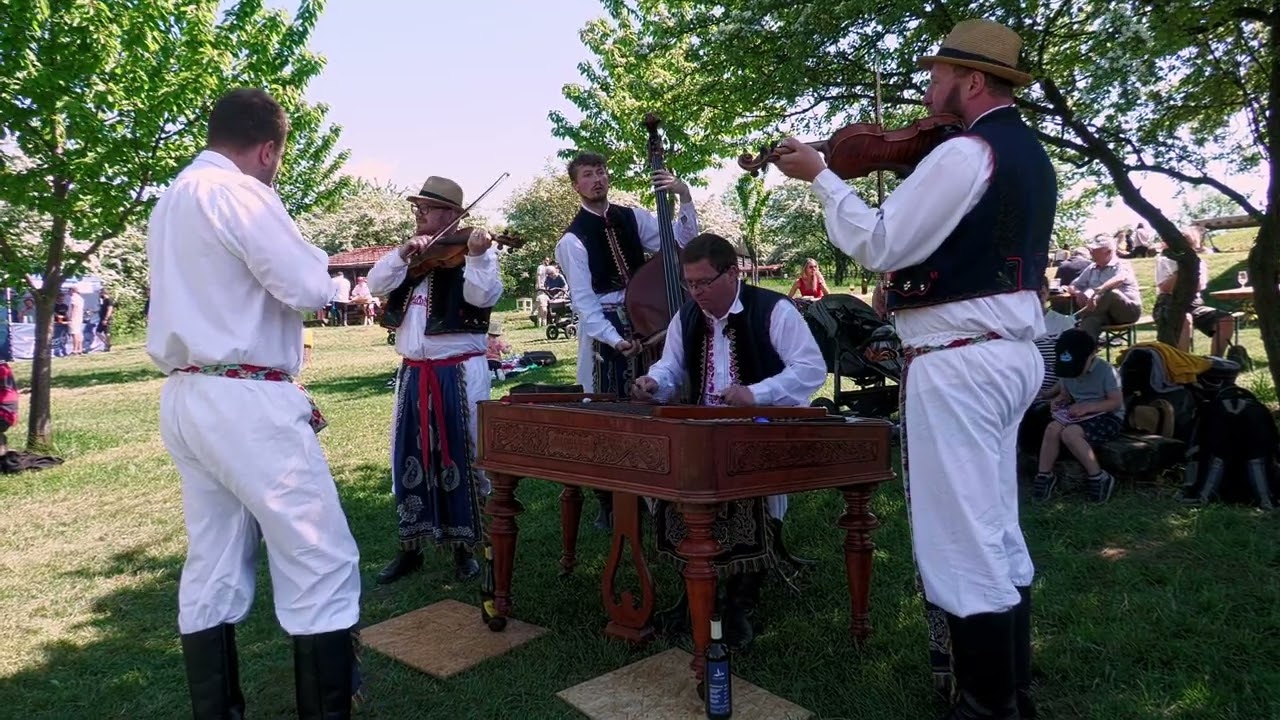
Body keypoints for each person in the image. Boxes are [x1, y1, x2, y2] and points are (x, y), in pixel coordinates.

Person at [773, 18, 1050, 718]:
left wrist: (824, 177)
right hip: (1006, 353)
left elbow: (882, 242)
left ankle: (985, 705)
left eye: (938, 75)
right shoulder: (1028, 153)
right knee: (993, 520)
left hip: (960, 361)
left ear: (973, 81)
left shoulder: (966, 154)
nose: (929, 88)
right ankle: (1012, 690)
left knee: (959, 532)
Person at [146, 87, 361, 719]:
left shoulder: (172, 198)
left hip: (189, 394)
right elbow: (301, 284)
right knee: (319, 556)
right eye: (279, 158)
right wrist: (334, 278)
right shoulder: (240, 192)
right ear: (267, 149)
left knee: (212, 558)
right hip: (244, 400)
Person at [631, 233, 826, 649]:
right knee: (674, 485)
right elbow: (671, 368)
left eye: (704, 283)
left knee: (744, 489)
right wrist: (654, 383)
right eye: (690, 284)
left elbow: (811, 369)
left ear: (732, 272)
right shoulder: (686, 317)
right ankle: (693, 595)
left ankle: (739, 602)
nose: (696, 292)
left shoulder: (775, 309)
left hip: (763, 430)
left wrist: (758, 393)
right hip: (705, 435)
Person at [367, 176, 502, 585]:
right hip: (414, 372)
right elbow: (376, 284)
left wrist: (477, 257)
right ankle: (411, 546)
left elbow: (483, 297)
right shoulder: (412, 255)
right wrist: (402, 254)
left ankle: (466, 549)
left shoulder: (474, 252)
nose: (419, 213)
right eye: (419, 207)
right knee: (409, 455)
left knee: (464, 453)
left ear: (452, 215)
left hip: (460, 371)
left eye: (427, 207)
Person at [555, 151, 700, 530]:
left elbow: (680, 244)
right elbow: (584, 302)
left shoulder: (633, 217)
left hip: (649, 319)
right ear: (577, 186)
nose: (597, 179)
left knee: (657, 403)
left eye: (600, 172)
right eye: (587, 175)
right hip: (607, 329)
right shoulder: (572, 240)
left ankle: (661, 488)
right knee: (609, 410)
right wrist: (613, 338)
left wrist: (684, 197)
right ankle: (608, 498)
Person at [1033, 328, 1123, 503]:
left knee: (1070, 434)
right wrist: (1058, 400)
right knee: (1052, 428)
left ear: (1091, 356)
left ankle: (1098, 477)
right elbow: (1065, 394)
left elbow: (1115, 402)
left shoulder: (1106, 371)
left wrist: (1090, 407)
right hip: (1078, 414)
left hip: (1108, 417)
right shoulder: (1068, 370)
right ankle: (1044, 475)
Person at [1154, 241, 1234, 356]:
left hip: (1193, 303)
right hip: (1168, 303)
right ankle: (1183, 362)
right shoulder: (1163, 261)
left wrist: (1190, 268)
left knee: (1225, 319)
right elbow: (1165, 288)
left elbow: (1199, 286)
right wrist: (1180, 270)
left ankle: (1216, 360)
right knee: (1184, 319)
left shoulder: (1198, 262)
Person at [1068, 234, 1143, 339]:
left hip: (1128, 312)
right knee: (1090, 323)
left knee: (1111, 293)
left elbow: (1119, 279)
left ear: (1108, 251)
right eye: (1091, 249)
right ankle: (1085, 351)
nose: (1092, 252)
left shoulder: (1122, 264)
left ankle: (1076, 318)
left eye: (1096, 249)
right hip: (1103, 313)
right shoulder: (1091, 268)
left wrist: (1098, 292)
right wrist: (1078, 293)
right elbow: (1073, 285)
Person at [67, 287, 85, 355]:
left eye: (69, 290)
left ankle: (75, 350)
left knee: (74, 334)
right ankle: (80, 349)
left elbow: (74, 308)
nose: (68, 292)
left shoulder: (73, 298)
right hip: (79, 318)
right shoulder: (81, 298)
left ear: (72, 290)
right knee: (79, 333)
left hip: (74, 318)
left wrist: (71, 318)